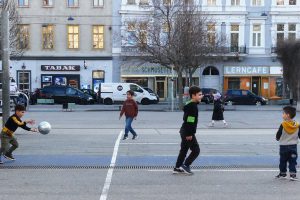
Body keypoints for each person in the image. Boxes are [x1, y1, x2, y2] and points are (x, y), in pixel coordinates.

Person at [173, 86, 203, 175]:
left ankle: (177, 167)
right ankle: (186, 165)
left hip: (184, 130)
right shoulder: (192, 107)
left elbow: (186, 119)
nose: (201, 96)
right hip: (187, 131)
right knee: (196, 150)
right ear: (193, 96)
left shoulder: (190, 104)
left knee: (184, 149)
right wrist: (189, 134)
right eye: (199, 95)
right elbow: (190, 120)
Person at [275, 106, 300, 181]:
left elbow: (278, 134)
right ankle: (293, 174)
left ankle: (283, 174)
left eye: (283, 113)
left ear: (287, 115)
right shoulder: (297, 125)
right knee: (293, 160)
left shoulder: (283, 124)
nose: (282, 115)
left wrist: (277, 138)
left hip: (284, 146)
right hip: (293, 147)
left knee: (283, 160)